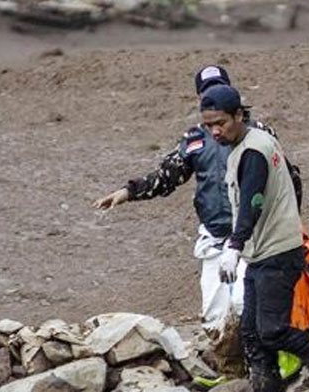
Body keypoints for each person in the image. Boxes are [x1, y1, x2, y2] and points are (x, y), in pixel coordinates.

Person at [199, 83, 309, 392]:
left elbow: (253, 200)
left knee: (272, 329)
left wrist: (233, 245)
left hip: (278, 253)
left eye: (221, 123)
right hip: (262, 254)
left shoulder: (253, 150)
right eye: (208, 125)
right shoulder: (246, 145)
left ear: (240, 115)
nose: (215, 131)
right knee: (252, 333)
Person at [94, 65, 243, 333]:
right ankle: (229, 368)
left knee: (248, 305)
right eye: (207, 93)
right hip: (214, 236)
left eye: (218, 90)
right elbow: (167, 176)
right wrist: (128, 192)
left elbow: (284, 180)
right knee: (214, 315)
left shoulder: (255, 133)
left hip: (252, 236)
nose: (212, 97)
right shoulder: (195, 139)